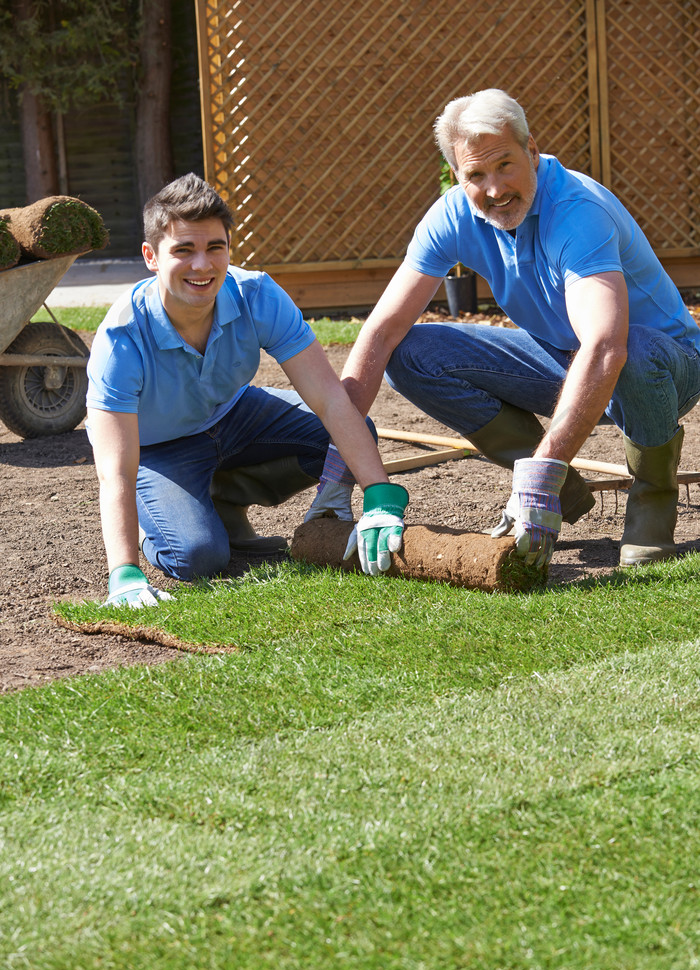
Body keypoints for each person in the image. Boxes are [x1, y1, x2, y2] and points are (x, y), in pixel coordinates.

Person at [307, 89, 700, 568]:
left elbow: (604, 349)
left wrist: (541, 477)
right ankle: (563, 489)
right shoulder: (453, 215)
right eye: (474, 174)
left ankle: (651, 502)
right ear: (456, 173)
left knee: (632, 349)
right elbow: (381, 333)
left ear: (532, 150)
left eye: (505, 165)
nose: (494, 189)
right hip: (562, 357)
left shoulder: (577, 211)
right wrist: (338, 473)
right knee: (410, 352)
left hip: (662, 368)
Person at [86, 173, 409, 607]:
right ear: (151, 256)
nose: (202, 265)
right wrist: (123, 574)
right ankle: (155, 522)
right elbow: (116, 470)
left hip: (234, 415)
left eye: (214, 248)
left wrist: (380, 494)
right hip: (156, 448)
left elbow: (332, 400)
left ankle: (219, 491)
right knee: (199, 557)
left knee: (355, 428)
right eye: (184, 250)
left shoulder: (256, 294)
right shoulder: (122, 337)